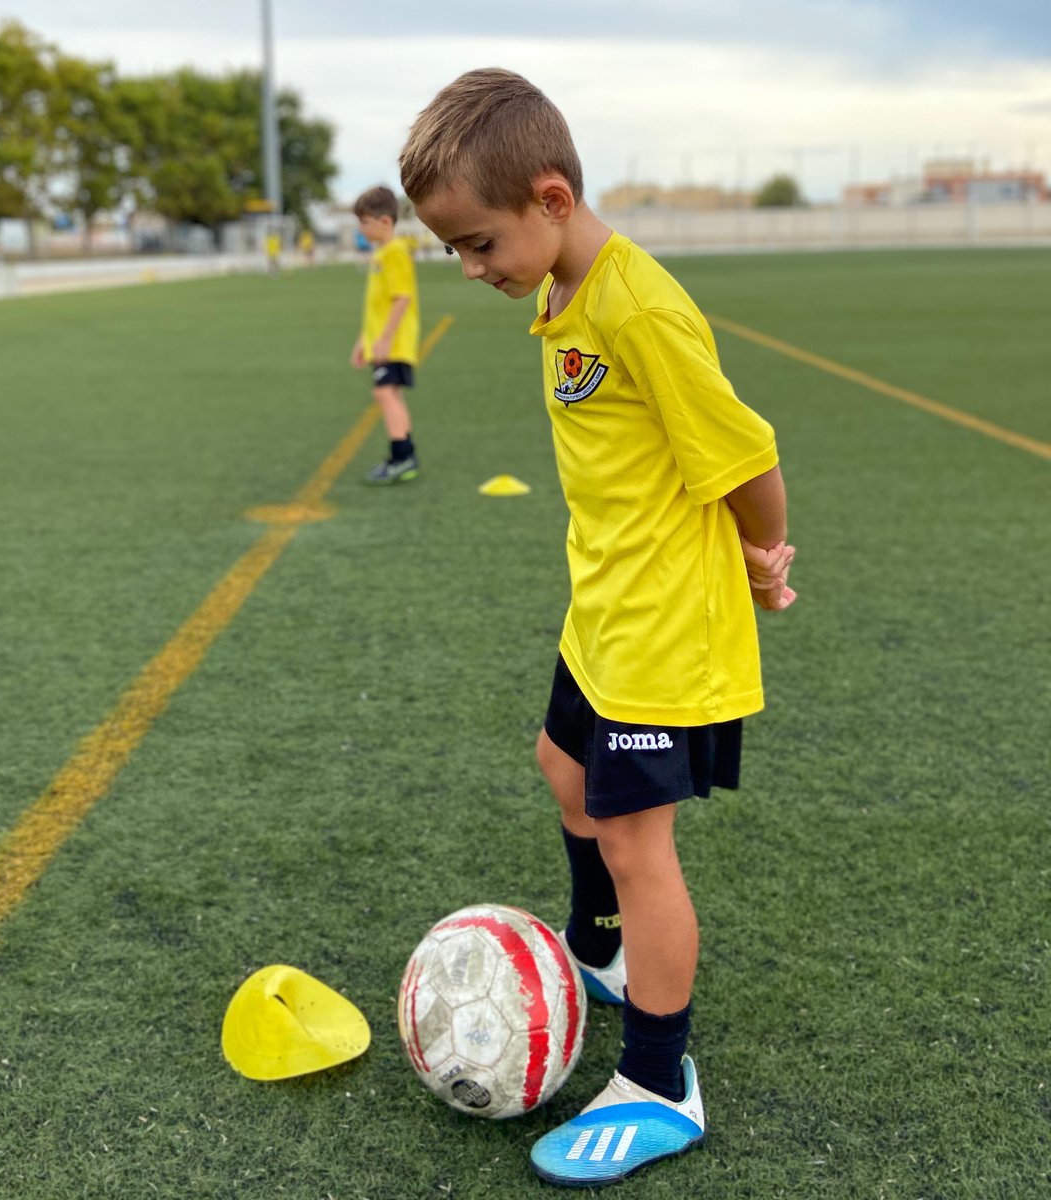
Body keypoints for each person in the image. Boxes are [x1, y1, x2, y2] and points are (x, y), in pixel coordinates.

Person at [399, 69, 796, 1187]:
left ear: (553, 198)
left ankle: (662, 1084)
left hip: (663, 630)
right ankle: (599, 950)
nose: (472, 269)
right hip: (607, 610)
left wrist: (766, 557)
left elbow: (747, 455)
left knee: (636, 844)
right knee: (560, 765)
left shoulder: (640, 308)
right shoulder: (564, 289)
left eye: (479, 243)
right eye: (453, 251)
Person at [350, 186, 421, 484]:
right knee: (391, 393)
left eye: (365, 222)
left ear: (385, 222)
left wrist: (385, 339)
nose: (361, 228)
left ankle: (401, 457)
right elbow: (376, 308)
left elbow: (401, 298)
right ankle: (407, 454)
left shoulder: (395, 252)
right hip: (383, 341)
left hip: (393, 342)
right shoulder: (382, 254)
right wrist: (363, 341)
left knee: (383, 392)